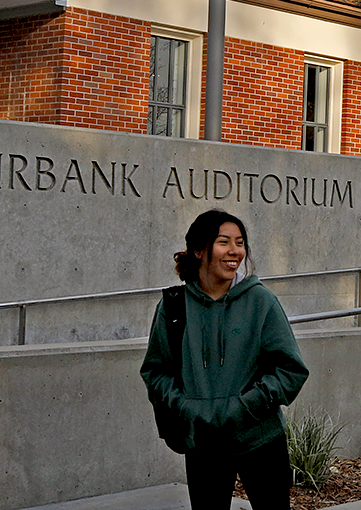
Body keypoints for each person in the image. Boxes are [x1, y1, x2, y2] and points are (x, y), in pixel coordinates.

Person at [140, 209, 309, 510]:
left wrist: (244, 406)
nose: (235, 251)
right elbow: (155, 372)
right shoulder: (174, 307)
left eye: (240, 242)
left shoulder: (261, 301)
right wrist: (185, 406)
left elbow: (291, 370)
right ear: (199, 249)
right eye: (224, 242)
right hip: (203, 442)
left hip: (260, 439)